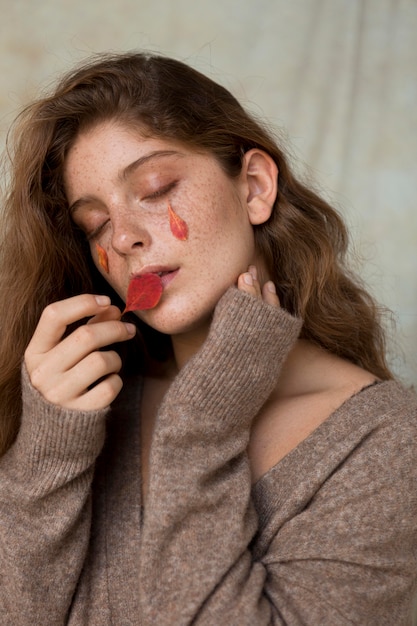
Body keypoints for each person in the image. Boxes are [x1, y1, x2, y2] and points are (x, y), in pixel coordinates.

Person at [0, 51, 416, 626]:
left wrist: (204, 418)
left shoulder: (389, 443)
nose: (123, 238)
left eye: (155, 187)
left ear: (253, 188)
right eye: (94, 223)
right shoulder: (91, 415)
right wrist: (47, 454)